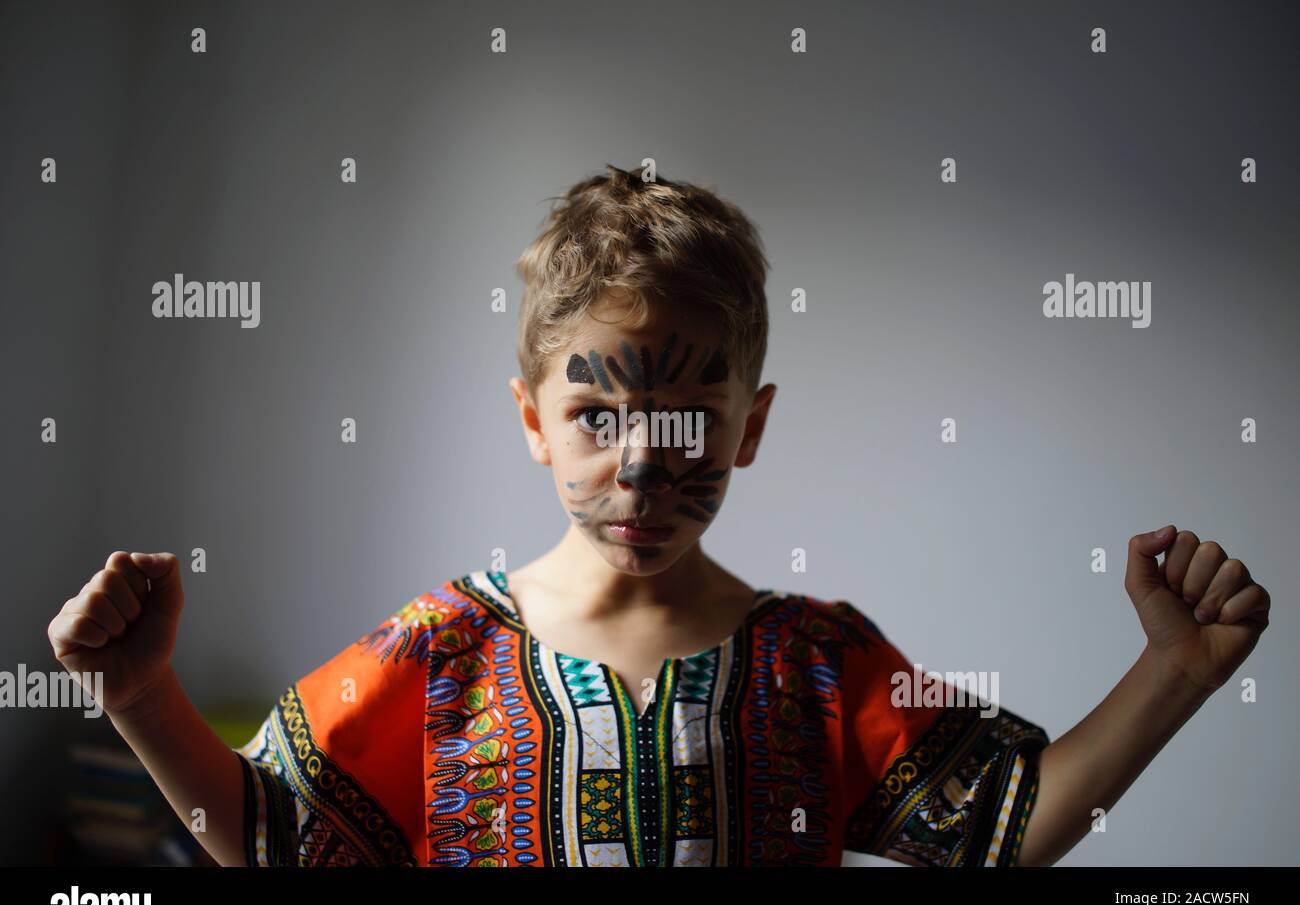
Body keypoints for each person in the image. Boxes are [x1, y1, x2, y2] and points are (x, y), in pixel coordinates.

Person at [47, 165, 1272, 867]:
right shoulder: (443, 652)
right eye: (595, 417)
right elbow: (266, 837)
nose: (639, 467)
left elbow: (1004, 825)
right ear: (533, 418)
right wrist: (143, 695)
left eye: (688, 417)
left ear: (750, 424)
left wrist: (1174, 670)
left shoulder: (819, 661)